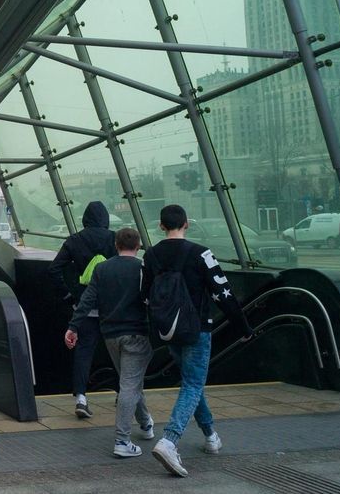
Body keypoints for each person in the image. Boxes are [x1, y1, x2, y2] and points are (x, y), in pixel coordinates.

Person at [142, 204, 253, 478]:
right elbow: (223, 292)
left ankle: (211, 435)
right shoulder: (200, 252)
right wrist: (243, 326)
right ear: (186, 224)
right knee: (193, 383)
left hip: (168, 330)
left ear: (161, 225)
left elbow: (145, 295)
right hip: (197, 329)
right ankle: (169, 440)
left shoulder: (151, 255)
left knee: (192, 382)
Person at [64, 227, 154, 458]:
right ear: (138, 246)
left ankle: (145, 424)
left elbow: (88, 299)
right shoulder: (144, 268)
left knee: (130, 381)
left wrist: (74, 326)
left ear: (116, 245)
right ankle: (122, 441)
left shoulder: (102, 269)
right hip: (136, 334)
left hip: (110, 335)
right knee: (129, 385)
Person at [48, 201, 117, 419]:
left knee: (84, 352)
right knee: (120, 351)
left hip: (84, 306)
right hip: (112, 307)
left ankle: (81, 398)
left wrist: (69, 295)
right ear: (105, 218)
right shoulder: (115, 238)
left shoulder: (75, 240)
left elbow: (54, 269)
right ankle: (124, 393)